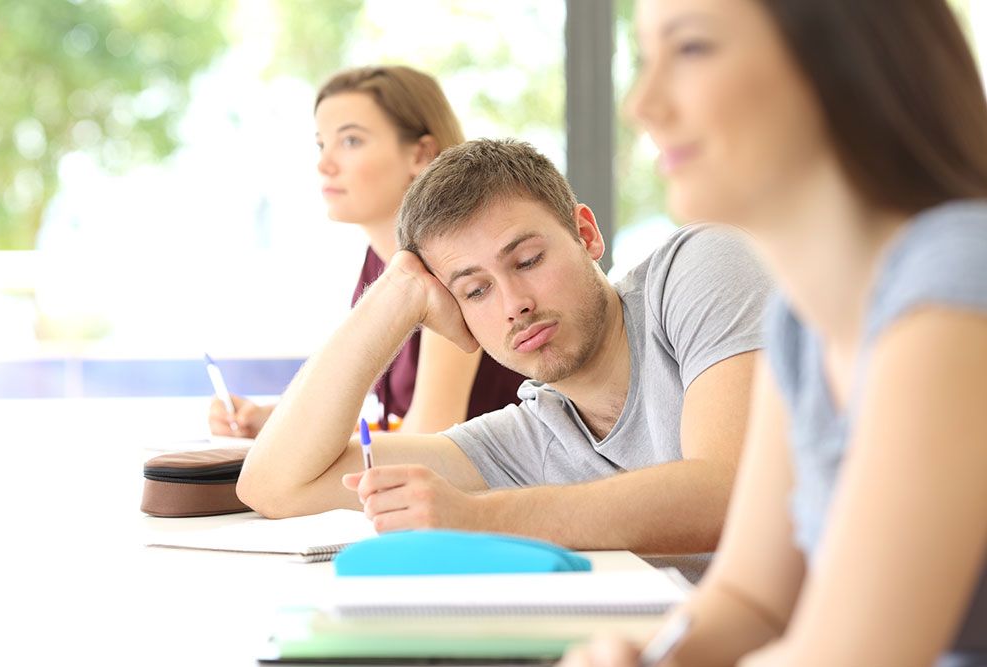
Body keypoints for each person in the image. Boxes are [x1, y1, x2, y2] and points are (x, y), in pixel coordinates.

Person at [561, 0, 987, 665]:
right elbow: (751, 600)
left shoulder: (960, 277)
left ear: (841, 57)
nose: (641, 104)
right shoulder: (801, 319)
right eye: (646, 58)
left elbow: (856, 651)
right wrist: (654, 655)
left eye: (692, 49)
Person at [236, 138, 773, 580]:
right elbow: (275, 485)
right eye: (474, 292)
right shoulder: (525, 438)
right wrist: (393, 296)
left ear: (585, 234)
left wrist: (475, 516)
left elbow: (728, 491)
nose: (515, 303)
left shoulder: (699, 267)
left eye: (528, 260)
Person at [209, 65, 525, 436]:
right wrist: (272, 421)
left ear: (421, 154)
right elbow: (374, 407)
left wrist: (292, 444)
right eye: (321, 144)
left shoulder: (450, 268)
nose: (324, 164)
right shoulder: (383, 263)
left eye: (351, 141)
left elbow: (430, 437)